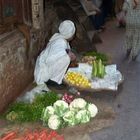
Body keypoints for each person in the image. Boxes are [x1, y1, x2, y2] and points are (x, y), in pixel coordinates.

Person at [34, 20, 76, 89]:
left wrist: (68, 53)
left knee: (66, 57)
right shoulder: (60, 42)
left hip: (46, 68)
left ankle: (54, 78)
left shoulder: (61, 38)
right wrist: (69, 56)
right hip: (43, 72)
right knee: (66, 59)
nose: (74, 35)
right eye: (73, 33)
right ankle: (52, 81)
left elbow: (63, 52)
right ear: (70, 34)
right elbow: (49, 61)